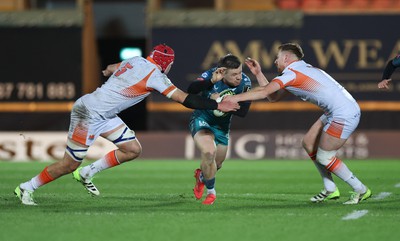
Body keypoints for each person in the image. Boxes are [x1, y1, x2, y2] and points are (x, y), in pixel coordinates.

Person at [14, 44, 239, 205]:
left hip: (104, 113)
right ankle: (27, 187)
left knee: (132, 149)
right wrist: (217, 104)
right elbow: (185, 99)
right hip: (89, 114)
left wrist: (108, 72)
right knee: (68, 164)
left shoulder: (135, 60)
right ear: (167, 64)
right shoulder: (156, 76)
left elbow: (112, 66)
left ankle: (87, 173)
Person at [225, 43, 372, 205]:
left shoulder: (292, 74)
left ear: (286, 58)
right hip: (340, 110)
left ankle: (360, 189)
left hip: (343, 114)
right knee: (308, 143)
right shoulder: (304, 69)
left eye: (277, 57)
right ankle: (330, 188)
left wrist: (233, 98)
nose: (275, 61)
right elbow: (273, 97)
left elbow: (265, 92)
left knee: (325, 157)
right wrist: (259, 73)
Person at [189, 54, 259, 205]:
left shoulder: (245, 83)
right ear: (222, 72)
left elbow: (243, 112)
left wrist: (221, 102)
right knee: (209, 152)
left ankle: (201, 177)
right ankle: (211, 193)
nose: (239, 77)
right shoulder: (212, 75)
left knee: (217, 165)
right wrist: (210, 82)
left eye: (240, 72)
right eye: (234, 74)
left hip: (222, 126)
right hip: (203, 120)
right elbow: (191, 90)